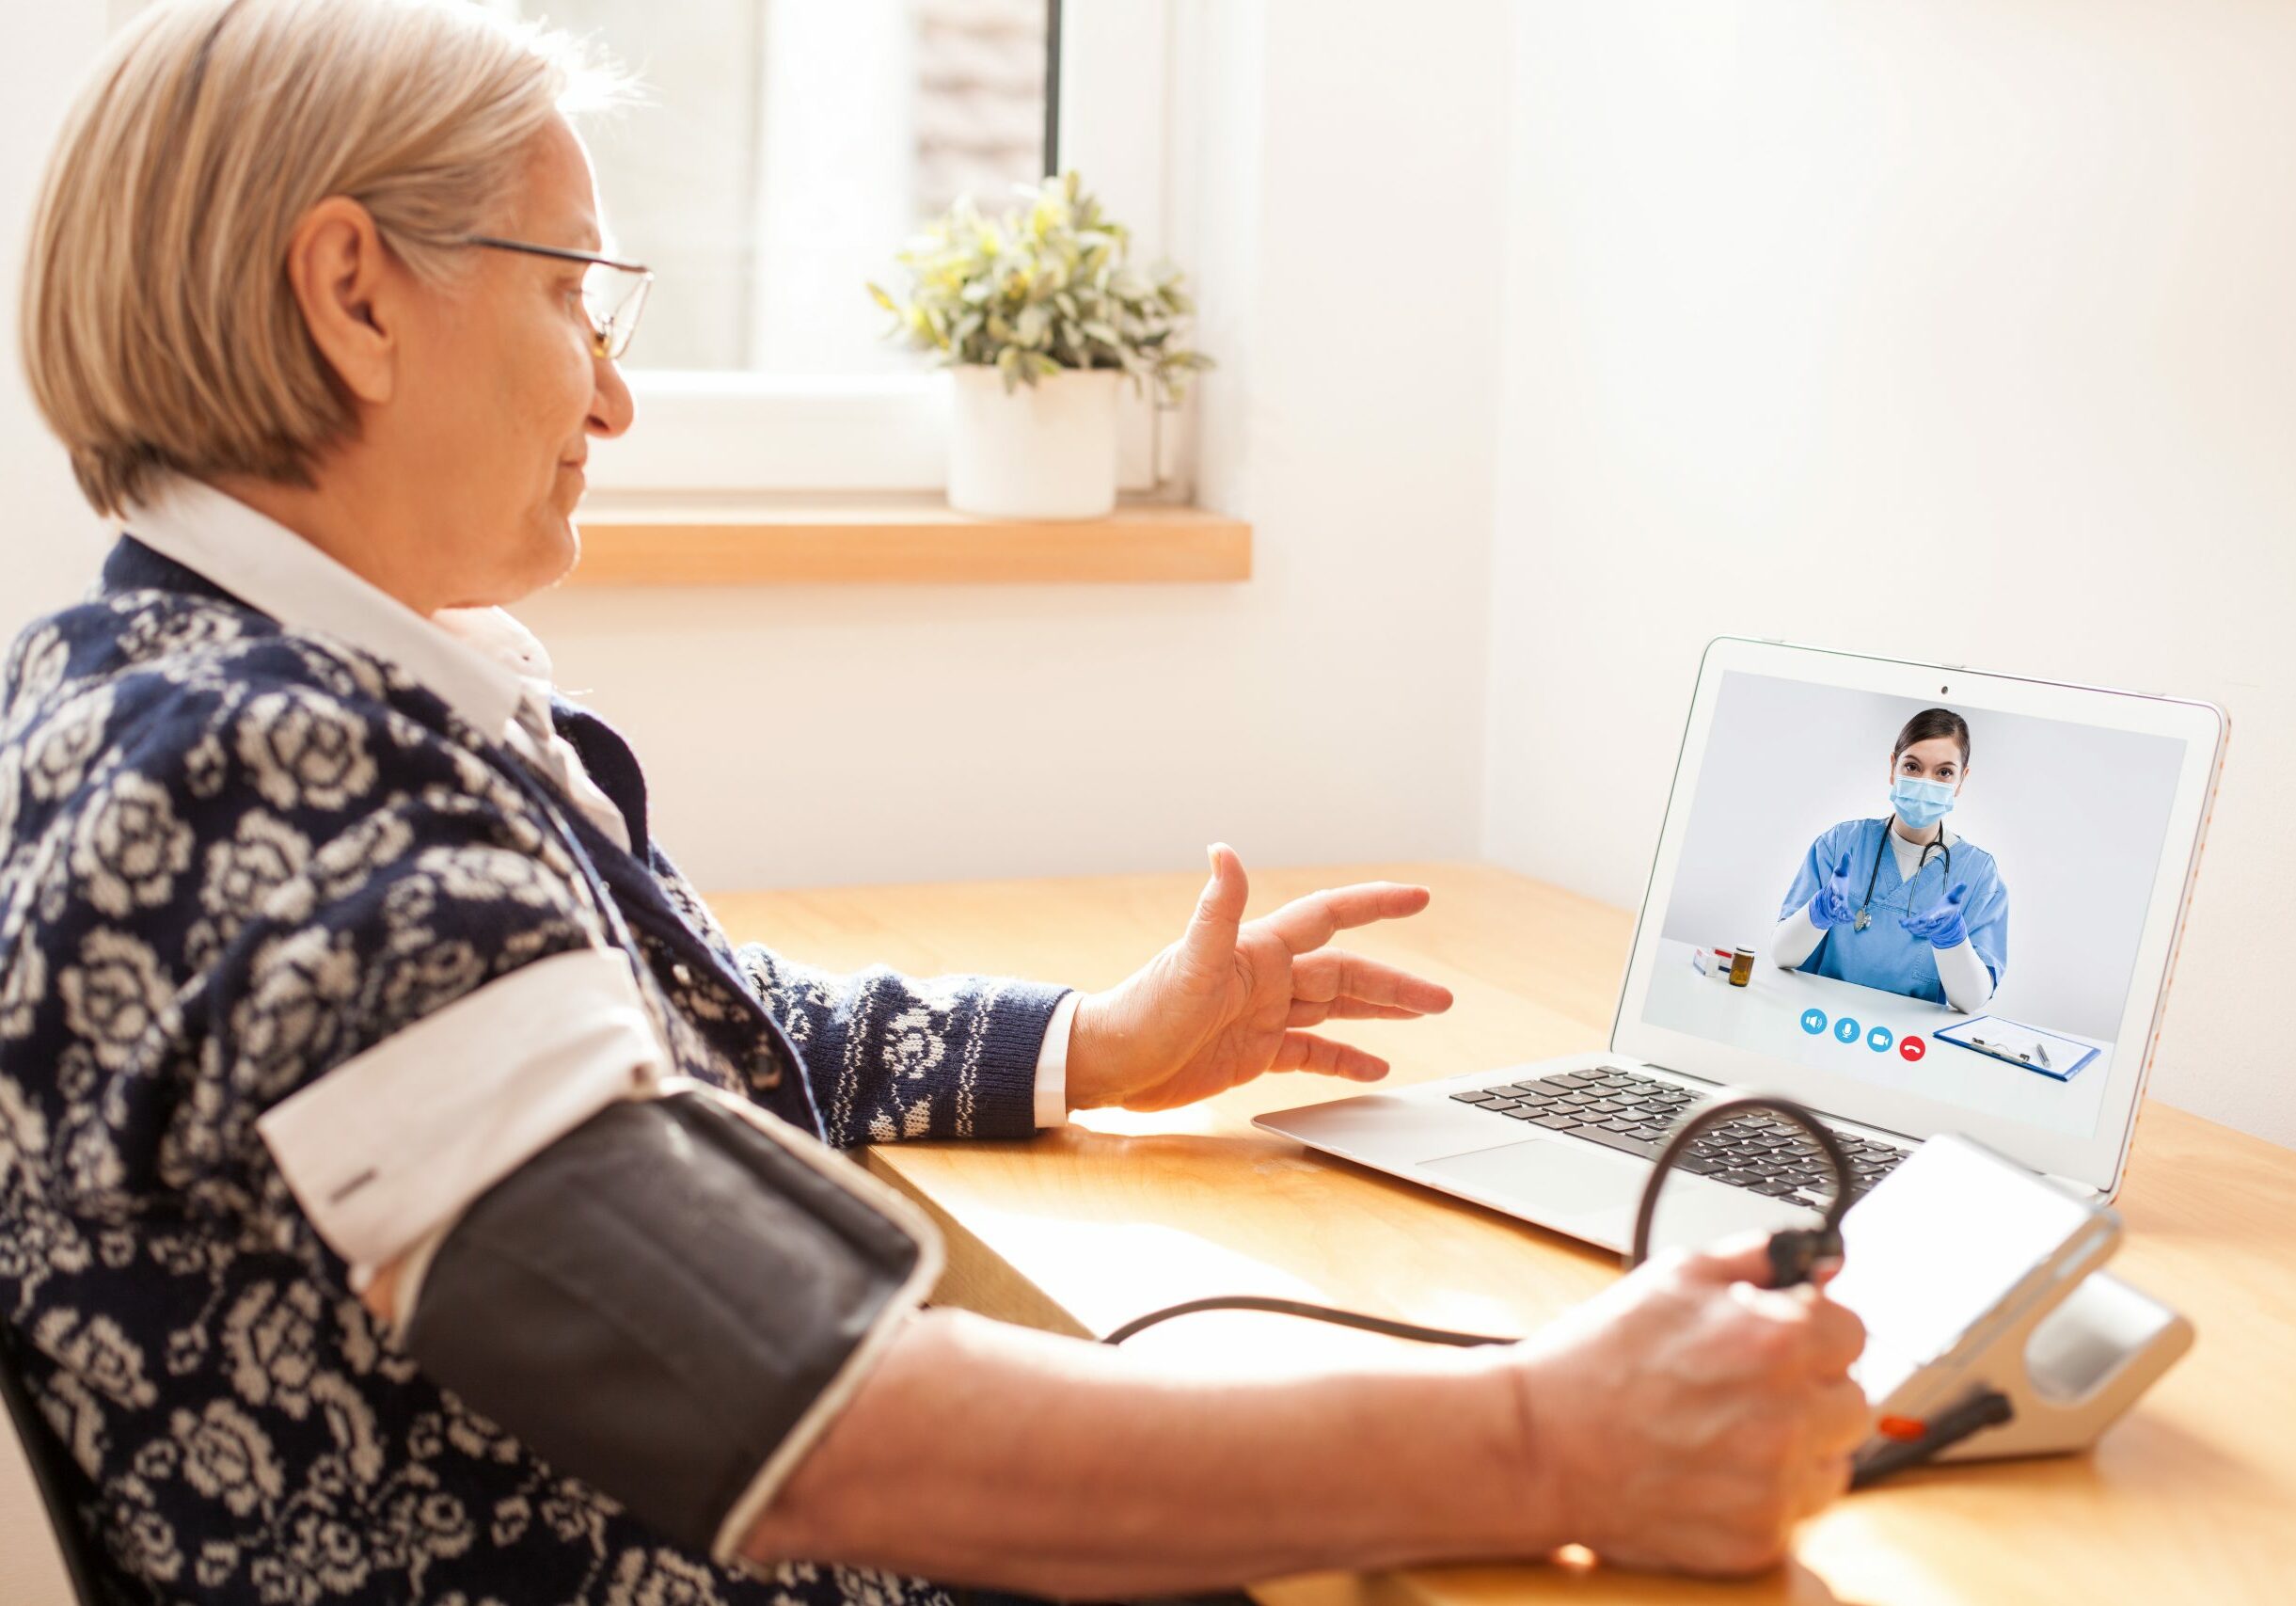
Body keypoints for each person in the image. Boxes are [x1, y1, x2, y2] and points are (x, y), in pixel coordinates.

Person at [0, 3, 1869, 1601]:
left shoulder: (158, 685)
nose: (615, 397)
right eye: (576, 294)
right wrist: (1546, 1434)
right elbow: (794, 1419)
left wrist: (1093, 1042)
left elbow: (686, 1042)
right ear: (354, 295)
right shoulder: (270, 782)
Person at [1772, 708, 2009, 1011]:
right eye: (1912, 766)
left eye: (1944, 772)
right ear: (1893, 767)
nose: (1926, 782)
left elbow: (1971, 1000)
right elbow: (1782, 955)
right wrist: (1818, 911)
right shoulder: (1841, 844)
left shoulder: (1977, 874)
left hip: (1906, 1045)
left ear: (1961, 780)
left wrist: (1953, 940)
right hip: (1819, 1021)